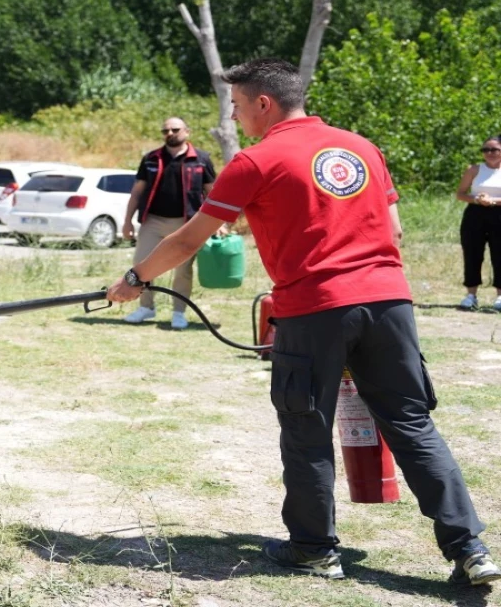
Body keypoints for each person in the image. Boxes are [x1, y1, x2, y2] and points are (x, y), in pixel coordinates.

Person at [106, 58, 500, 585]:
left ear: (264, 103)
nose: (236, 115)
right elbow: (396, 232)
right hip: (390, 302)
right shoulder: (362, 147)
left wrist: (135, 276)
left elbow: (188, 239)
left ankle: (315, 550)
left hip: (314, 309)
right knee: (411, 422)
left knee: (306, 427)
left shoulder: (255, 161)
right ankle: (470, 548)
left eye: (239, 105)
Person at [121, 117, 218, 329]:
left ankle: (179, 312)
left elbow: (212, 193)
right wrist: (127, 221)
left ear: (187, 131)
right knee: (141, 266)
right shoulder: (151, 159)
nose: (170, 134)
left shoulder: (201, 159)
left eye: (175, 129)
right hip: (153, 221)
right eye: (166, 131)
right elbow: (137, 192)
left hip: (186, 224)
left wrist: (219, 223)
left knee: (183, 270)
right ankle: (146, 307)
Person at [455, 135, 501, 309]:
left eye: (494, 149)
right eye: (486, 150)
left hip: (499, 214)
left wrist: (494, 201)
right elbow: (460, 193)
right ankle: (471, 294)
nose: (490, 153)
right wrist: (477, 199)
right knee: (473, 252)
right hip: (476, 214)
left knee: (499, 253)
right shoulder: (474, 169)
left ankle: (499, 296)